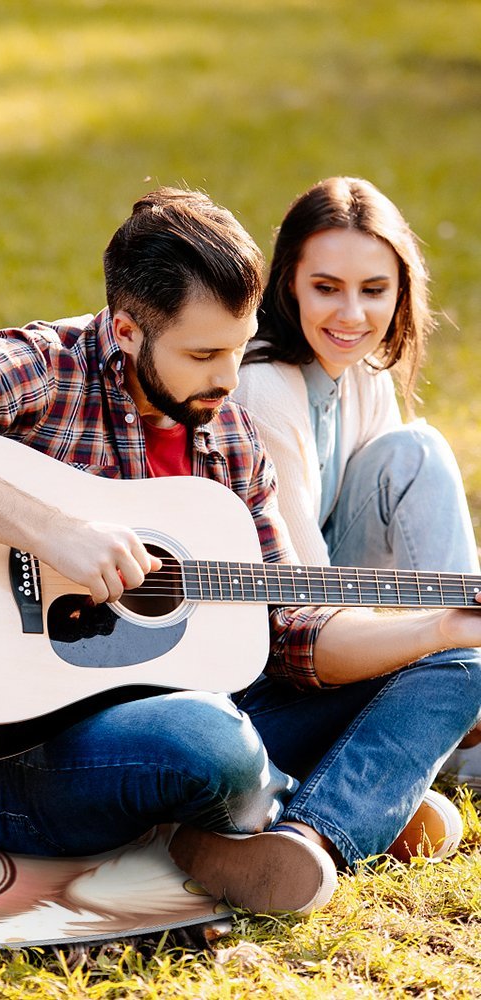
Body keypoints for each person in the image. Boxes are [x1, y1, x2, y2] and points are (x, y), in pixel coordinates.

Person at [0, 187, 481, 916]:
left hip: (209, 710)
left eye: (238, 346)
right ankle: (330, 796)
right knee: (209, 742)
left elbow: (290, 629)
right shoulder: (45, 367)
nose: (229, 380)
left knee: (461, 665)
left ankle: (310, 837)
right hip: (18, 756)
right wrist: (50, 531)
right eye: (203, 354)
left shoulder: (229, 436)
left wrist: (438, 628)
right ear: (127, 330)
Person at [234, 176, 481, 793]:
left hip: (338, 606)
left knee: (413, 451)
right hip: (275, 644)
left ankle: (458, 698)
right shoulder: (264, 386)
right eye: (326, 288)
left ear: (401, 292)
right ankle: (458, 705)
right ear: (288, 281)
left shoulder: (362, 370)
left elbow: (401, 520)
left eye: (374, 290)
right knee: (418, 451)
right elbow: (304, 601)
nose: (352, 315)